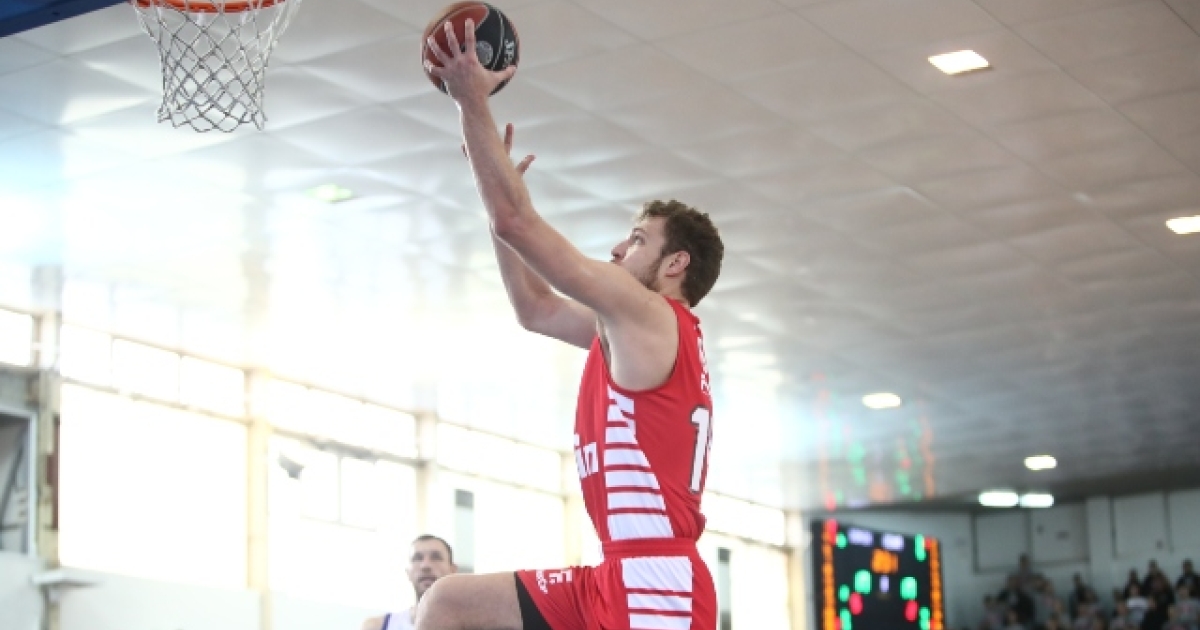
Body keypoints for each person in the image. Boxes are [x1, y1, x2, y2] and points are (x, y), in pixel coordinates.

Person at [419, 20, 725, 630]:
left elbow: (517, 223)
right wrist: (492, 182)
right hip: (615, 571)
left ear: (675, 264)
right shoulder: (631, 332)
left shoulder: (647, 314)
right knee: (447, 603)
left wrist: (471, 100)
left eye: (636, 240)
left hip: (657, 586)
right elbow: (533, 307)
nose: (617, 249)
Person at [363, 536, 458, 630]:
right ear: (408, 572)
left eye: (436, 557)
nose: (425, 565)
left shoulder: (466, 624)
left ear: (453, 570)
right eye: (417, 558)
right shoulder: (377, 626)